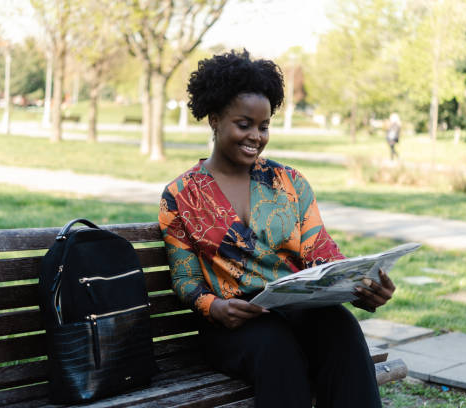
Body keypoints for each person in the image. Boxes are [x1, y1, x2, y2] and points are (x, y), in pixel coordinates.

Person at [158, 50, 396, 407]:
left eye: (264, 125)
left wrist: (359, 285)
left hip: (298, 310)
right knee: (276, 348)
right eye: (244, 124)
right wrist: (215, 307)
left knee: (341, 329)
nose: (256, 136)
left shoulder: (290, 182)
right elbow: (186, 279)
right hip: (235, 324)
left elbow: (321, 253)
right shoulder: (181, 195)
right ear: (215, 119)